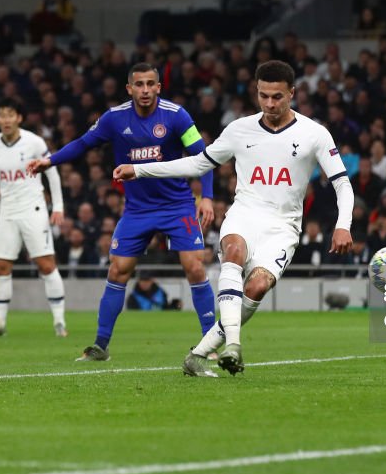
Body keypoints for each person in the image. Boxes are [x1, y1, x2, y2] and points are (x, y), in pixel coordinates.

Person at [114, 60, 354, 377]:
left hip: (283, 226)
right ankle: (234, 347)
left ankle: (199, 353)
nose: (270, 103)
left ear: (292, 93)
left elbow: (342, 183)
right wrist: (140, 169)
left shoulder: (315, 134)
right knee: (234, 254)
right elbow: (198, 164)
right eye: (263, 95)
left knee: (256, 287)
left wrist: (343, 225)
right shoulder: (240, 130)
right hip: (244, 214)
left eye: (277, 97)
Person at [26, 63, 216, 361]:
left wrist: (206, 197)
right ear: (129, 89)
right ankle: (101, 345)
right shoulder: (114, 119)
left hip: (176, 205)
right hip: (138, 209)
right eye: (138, 84)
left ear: (158, 87)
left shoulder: (176, 115)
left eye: (150, 84)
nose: (144, 90)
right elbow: (82, 144)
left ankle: (209, 343)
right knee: (117, 270)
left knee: (194, 267)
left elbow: (204, 156)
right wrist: (50, 161)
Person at [0, 98, 68, 338]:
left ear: (19, 118)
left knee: (46, 264)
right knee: (1, 266)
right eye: (1, 115)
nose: (6, 120)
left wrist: (57, 206)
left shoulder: (34, 142)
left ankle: (59, 322)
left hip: (33, 209)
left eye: (10, 114)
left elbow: (53, 173)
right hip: (7, 212)